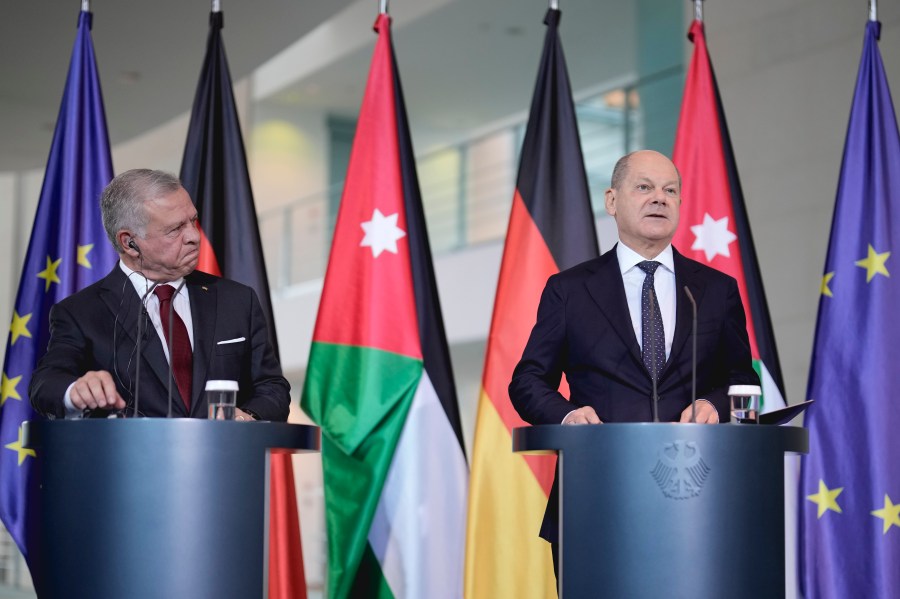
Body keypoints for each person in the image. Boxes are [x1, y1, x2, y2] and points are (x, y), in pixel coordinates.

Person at [508, 150, 759, 563]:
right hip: (596, 496)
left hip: (697, 498)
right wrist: (570, 416)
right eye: (644, 187)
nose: (659, 198)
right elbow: (528, 380)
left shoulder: (715, 290)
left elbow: (742, 379)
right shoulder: (569, 290)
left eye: (670, 190)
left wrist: (712, 403)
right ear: (612, 201)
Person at [30, 169, 290, 421]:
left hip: (223, 460)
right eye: (175, 229)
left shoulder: (237, 299)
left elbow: (272, 387)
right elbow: (46, 384)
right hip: (132, 463)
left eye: (193, 220)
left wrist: (247, 417)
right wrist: (76, 390)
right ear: (129, 242)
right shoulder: (81, 312)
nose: (193, 236)